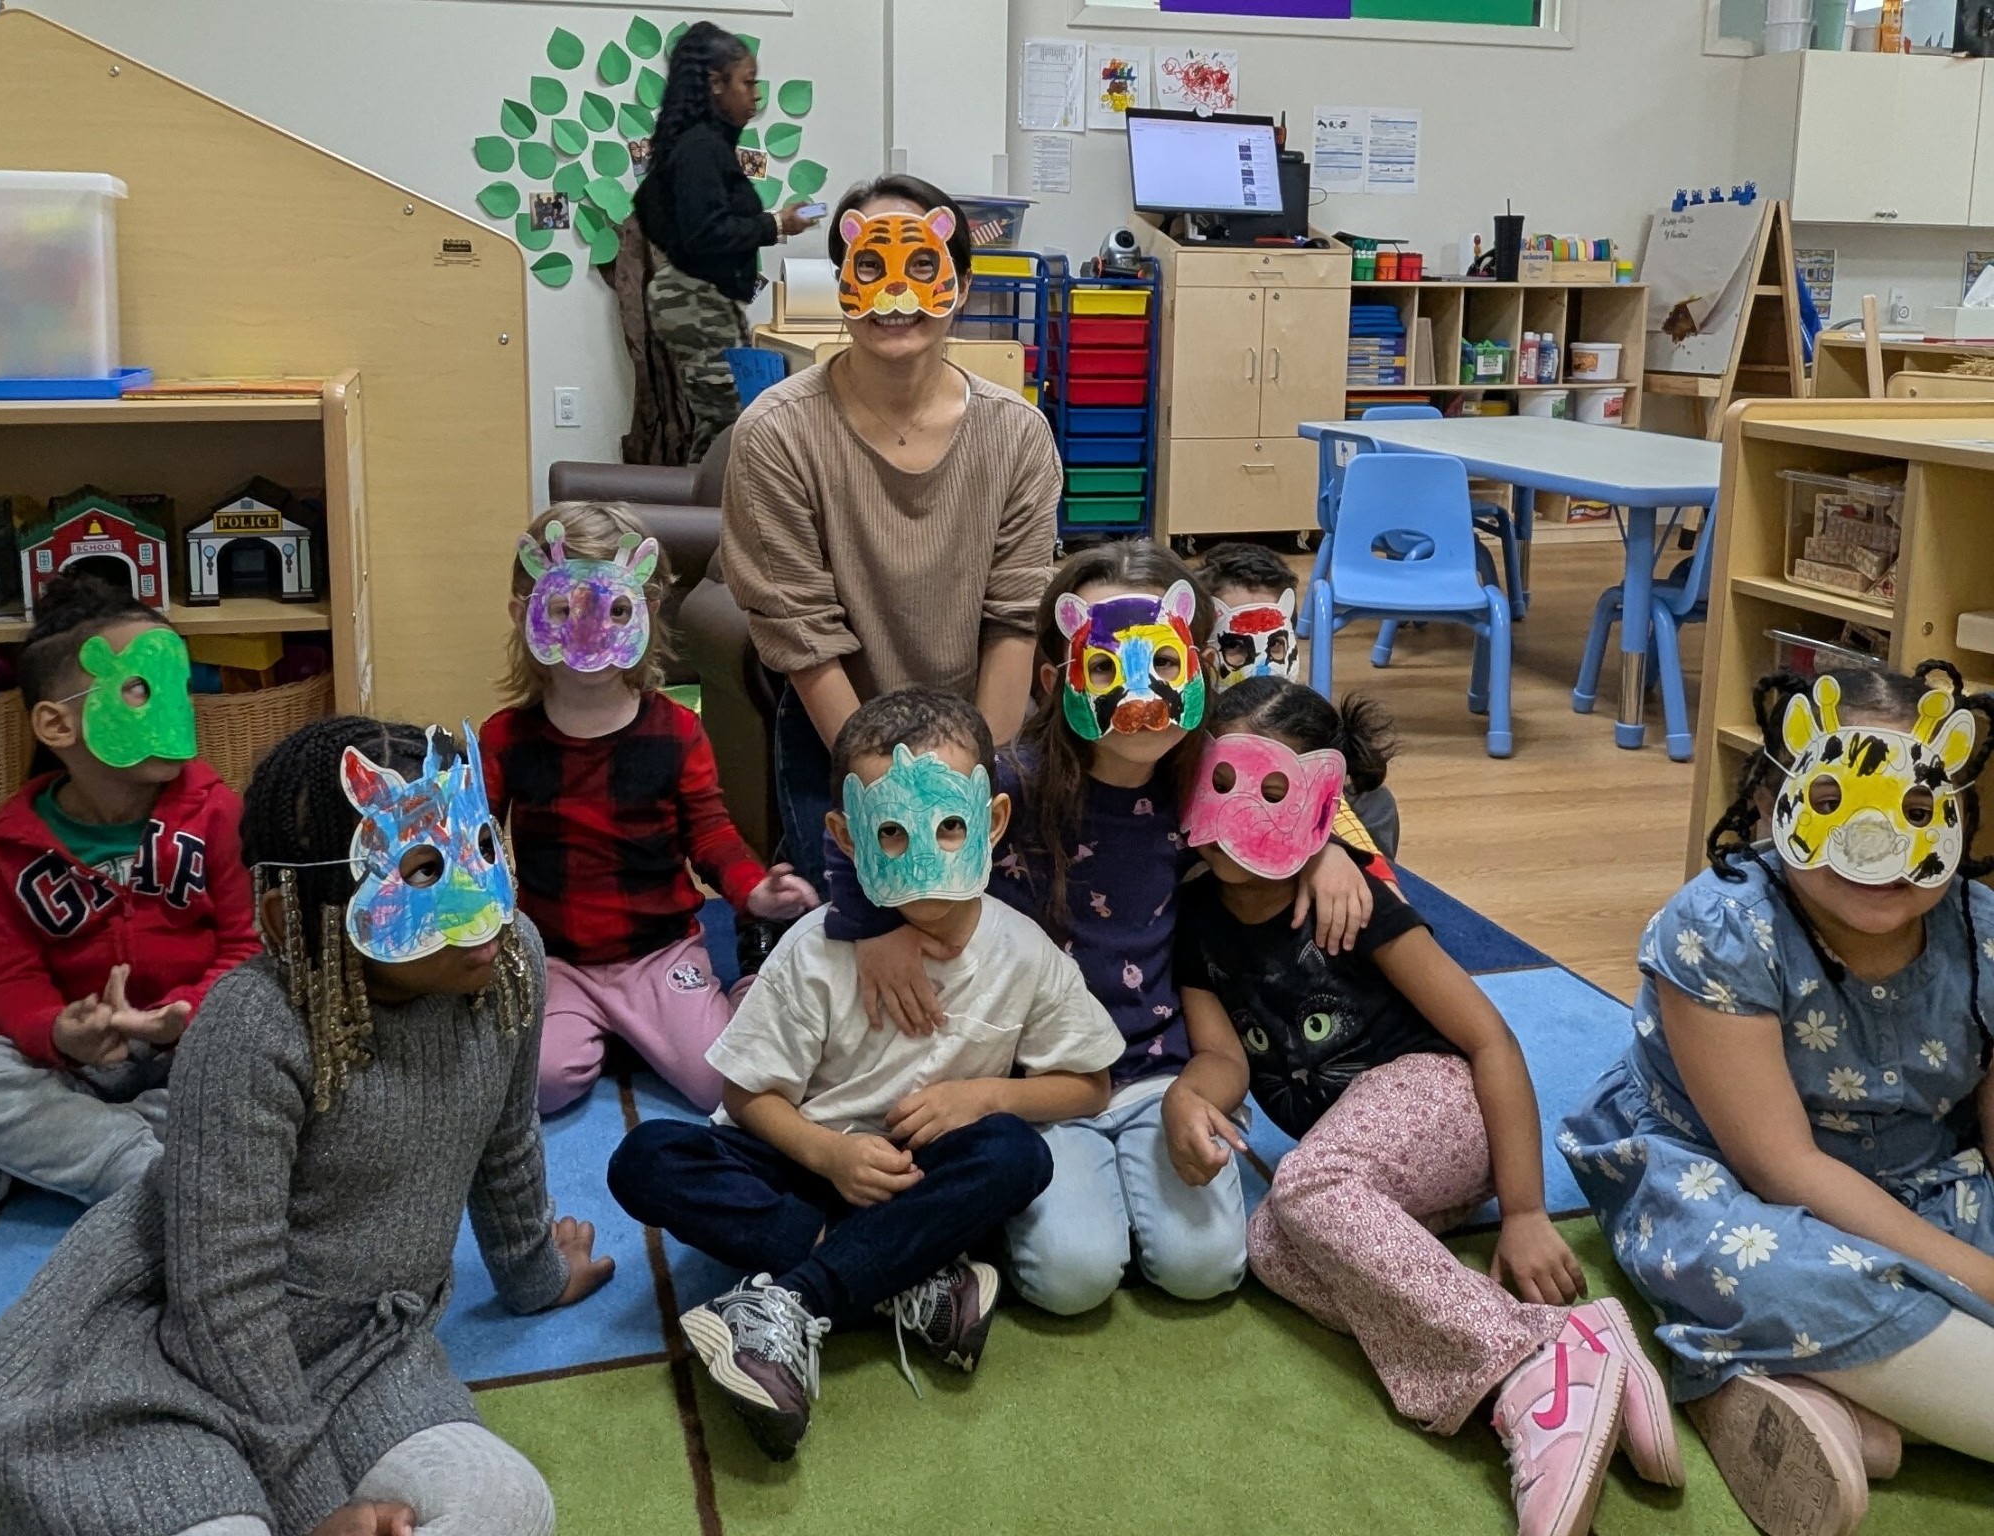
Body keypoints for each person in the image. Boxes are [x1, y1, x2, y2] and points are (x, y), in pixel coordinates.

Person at [0, 716, 616, 1536]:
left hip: (364, 1354)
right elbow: (220, 1300)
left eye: (485, 846)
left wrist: (536, 1276)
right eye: (423, 868)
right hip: (152, 1371)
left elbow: (505, 1135)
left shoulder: (512, 956)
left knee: (514, 1508)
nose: (480, 894)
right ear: (295, 915)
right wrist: (318, 1513)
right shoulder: (253, 1027)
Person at [1167, 676, 1679, 1536]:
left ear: (1321, 804)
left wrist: (1522, 1212)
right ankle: (1563, 1344)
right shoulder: (1192, 917)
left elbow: (1490, 1042)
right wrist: (1190, 1095)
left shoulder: (1358, 906)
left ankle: (1531, 1377)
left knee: (1304, 1187)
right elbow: (1220, 1055)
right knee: (1269, 1248)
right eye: (1218, 781)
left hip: (1442, 1105)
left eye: (1271, 790)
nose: (1237, 811)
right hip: (1365, 1171)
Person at [824, 541, 1381, 1318]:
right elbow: (870, 811)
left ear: (1197, 665)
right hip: (1037, 1076)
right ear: (1059, 680)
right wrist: (869, 922)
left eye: (1161, 660)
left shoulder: (1204, 783)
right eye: (1106, 663)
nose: (1139, 691)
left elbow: (1295, 792)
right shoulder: (1009, 782)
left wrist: (1330, 849)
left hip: (1157, 1070)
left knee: (1207, 1270)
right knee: (1072, 1281)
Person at [609, 687, 1124, 1460]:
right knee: (646, 1158)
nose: (925, 857)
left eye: (951, 826)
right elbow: (745, 1094)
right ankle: (898, 1278)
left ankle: (797, 1299)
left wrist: (983, 1096)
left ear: (993, 821)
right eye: (891, 834)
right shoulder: (816, 951)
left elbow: (1091, 1085)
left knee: (1019, 1152)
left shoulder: (1024, 951)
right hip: (802, 1163)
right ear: (846, 838)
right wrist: (827, 1154)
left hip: (920, 1177)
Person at [1563, 661, 1994, 1536]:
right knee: (1765, 1270)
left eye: (1915, 813)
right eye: (1840, 804)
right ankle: (1834, 1368)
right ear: (1774, 805)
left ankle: (1821, 1393)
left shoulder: (1980, 930)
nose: (1878, 848)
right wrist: (1978, 1278)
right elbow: (1780, 1164)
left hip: (1929, 1174)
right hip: (1729, 1182)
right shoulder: (1723, 925)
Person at [719, 173, 1060, 894]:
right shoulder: (776, 437)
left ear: (960, 287)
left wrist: (973, 782)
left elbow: (1015, 620)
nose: (894, 295)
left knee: (988, 923)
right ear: (841, 281)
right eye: (868, 268)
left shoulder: (1018, 436)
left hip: (980, 733)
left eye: (922, 267)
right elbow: (801, 635)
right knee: (860, 932)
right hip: (838, 731)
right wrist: (889, 797)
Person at [481, 504, 817, 1115]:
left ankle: (746, 987)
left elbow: (711, 836)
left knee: (722, 1084)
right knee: (542, 1084)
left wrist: (752, 894)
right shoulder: (505, 738)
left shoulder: (678, 732)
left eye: (613, 610)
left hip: (659, 952)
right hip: (559, 958)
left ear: (646, 612)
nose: (589, 630)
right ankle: (611, 1030)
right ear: (523, 615)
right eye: (563, 609)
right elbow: (475, 845)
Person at [0, 572, 257, 1212]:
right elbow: (6, 984)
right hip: (77, 1070)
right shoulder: (9, 848)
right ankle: (144, 1168)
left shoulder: (219, 813)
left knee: (279, 1054)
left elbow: (246, 949)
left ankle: (33, 1166)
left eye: (178, 688)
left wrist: (184, 1015)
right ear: (57, 725)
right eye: (142, 689)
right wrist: (60, 1032)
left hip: (189, 1055)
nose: (174, 708)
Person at [633, 22, 822, 460]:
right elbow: (705, 233)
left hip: (704, 298)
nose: (755, 94)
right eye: (748, 81)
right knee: (737, 426)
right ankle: (706, 523)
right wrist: (776, 224)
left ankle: (700, 519)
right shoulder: (700, 148)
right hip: (694, 299)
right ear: (716, 85)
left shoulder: (700, 144)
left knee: (725, 429)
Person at [1193, 540, 1400, 857]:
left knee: (1374, 804)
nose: (1260, 667)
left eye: (1275, 645)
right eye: (1235, 647)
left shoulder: (1306, 720)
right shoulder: (1192, 725)